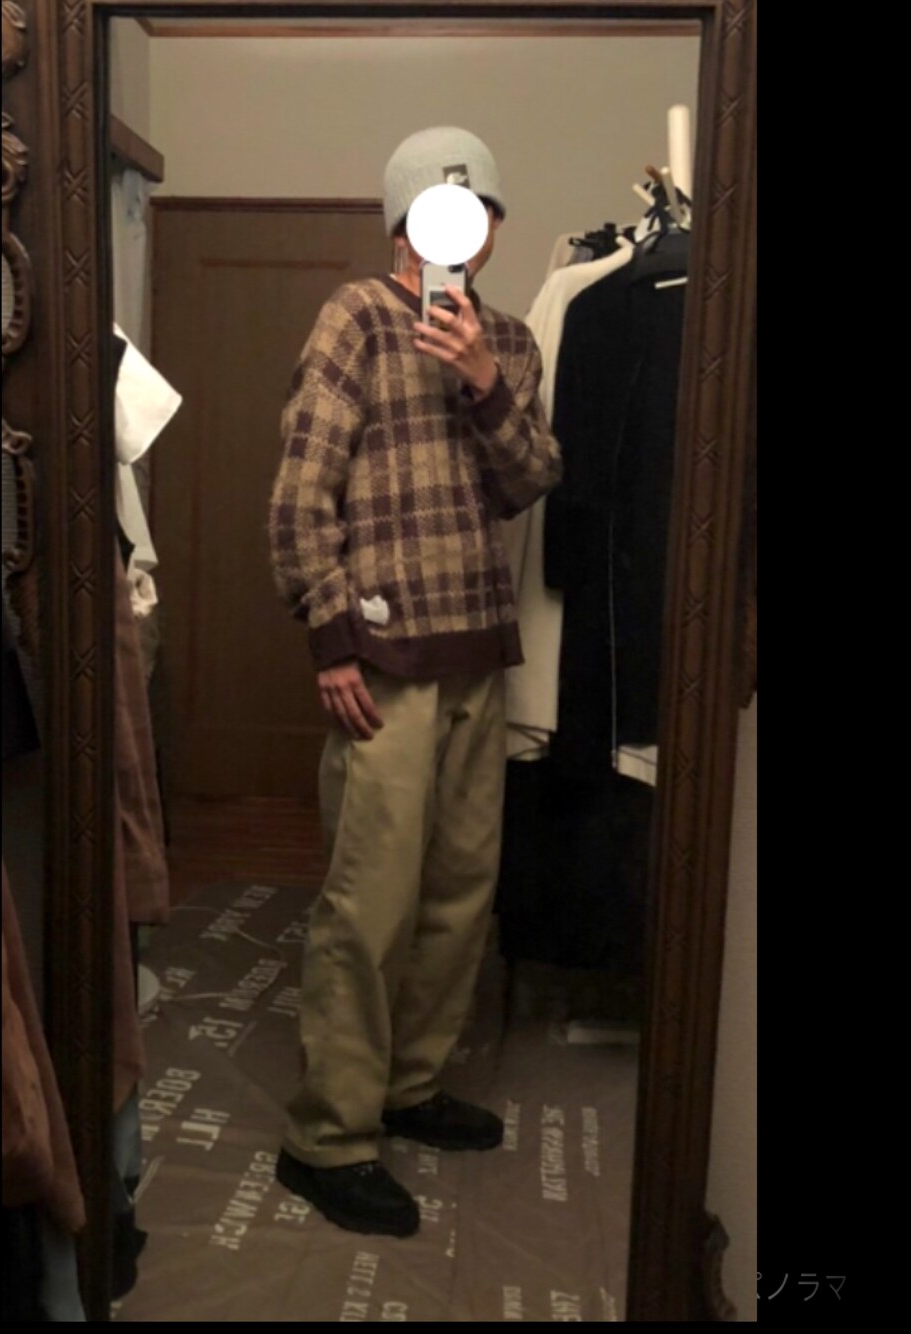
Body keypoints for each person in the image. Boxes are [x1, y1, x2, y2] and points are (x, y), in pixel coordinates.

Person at [268, 126, 562, 1238]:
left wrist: (484, 380)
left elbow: (531, 477)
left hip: (479, 644)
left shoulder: (512, 340)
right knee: (370, 900)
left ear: (494, 227)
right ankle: (328, 1137)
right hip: (383, 656)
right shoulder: (354, 315)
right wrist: (330, 634)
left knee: (460, 891)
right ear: (401, 222)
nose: (462, 234)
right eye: (441, 213)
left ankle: (411, 1085)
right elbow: (302, 483)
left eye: (480, 213)